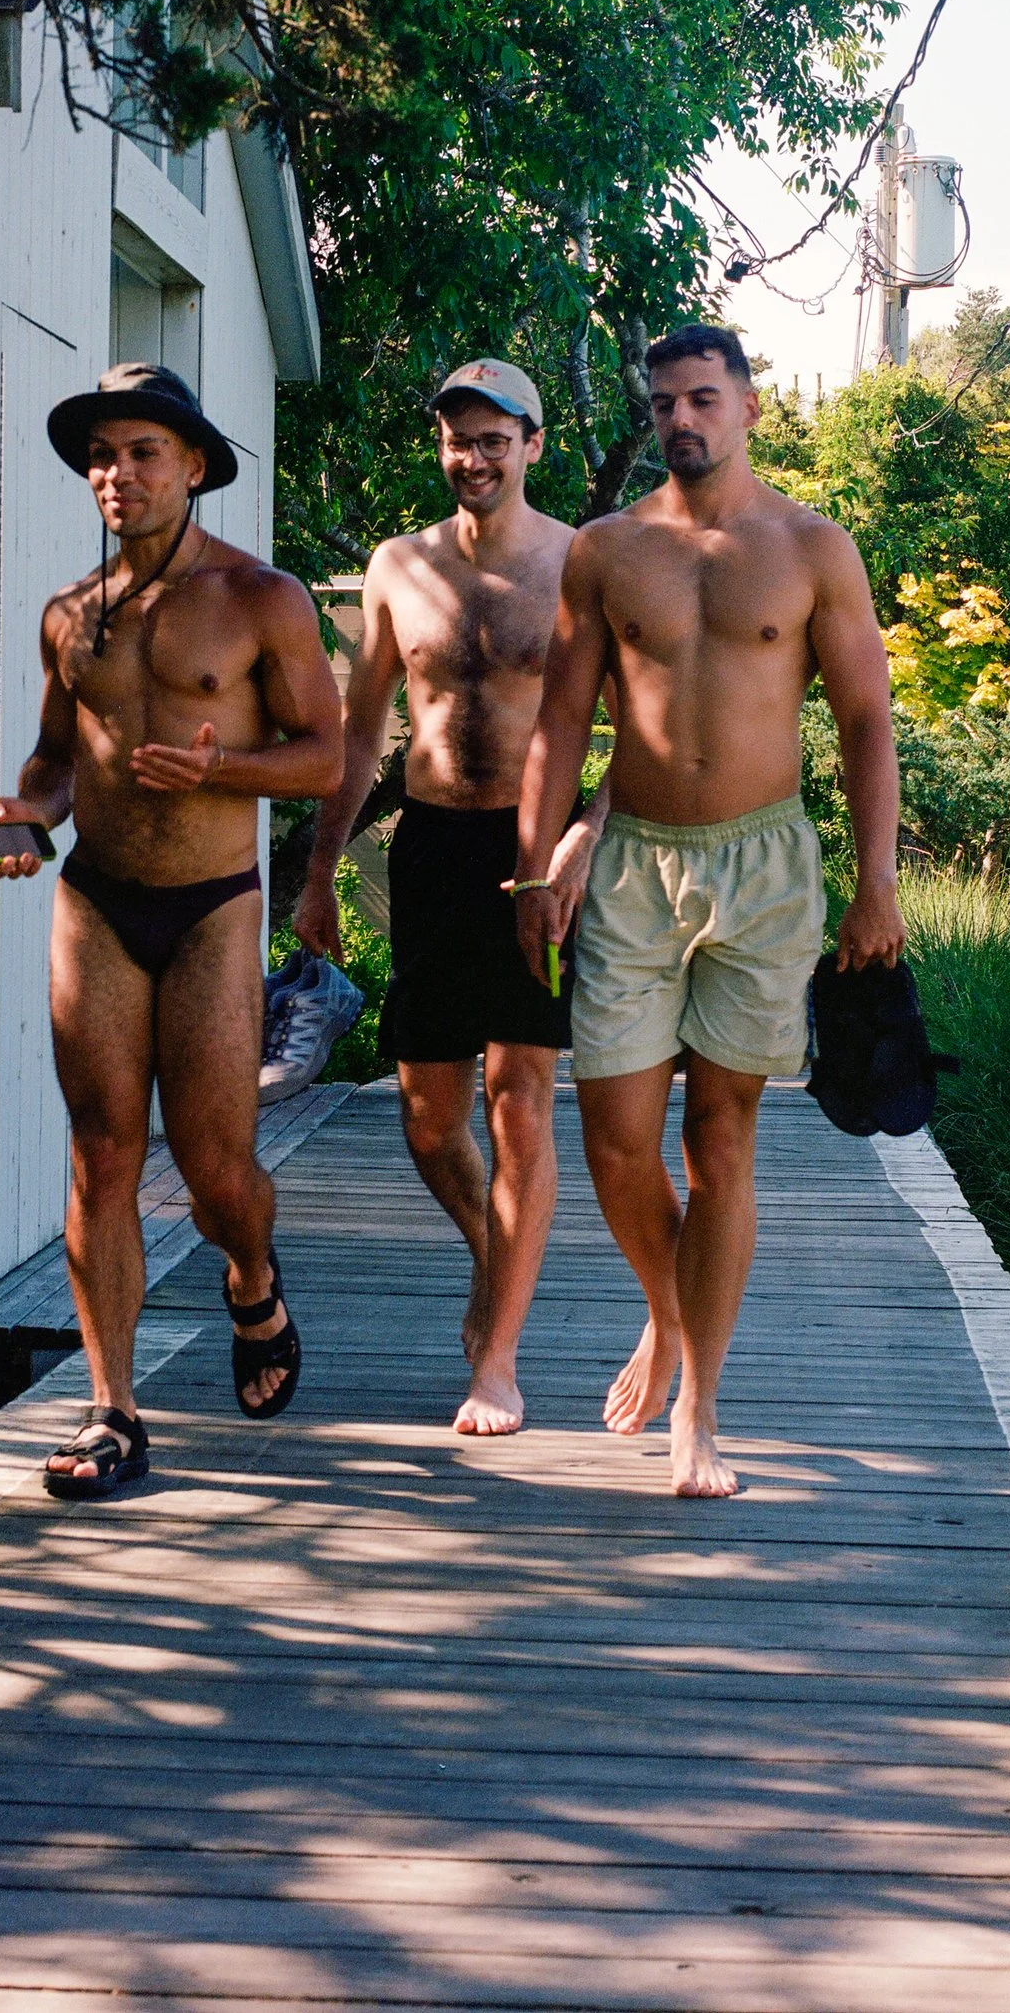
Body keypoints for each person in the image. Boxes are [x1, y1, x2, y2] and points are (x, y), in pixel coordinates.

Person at [513, 323, 902, 1496]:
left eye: (702, 398)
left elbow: (868, 722)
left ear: (746, 405)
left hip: (764, 865)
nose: (681, 419)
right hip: (632, 861)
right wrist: (537, 866)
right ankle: (664, 1310)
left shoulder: (810, 547)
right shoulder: (605, 549)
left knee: (720, 1139)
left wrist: (875, 881)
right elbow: (561, 722)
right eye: (664, 403)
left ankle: (700, 1407)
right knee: (616, 1139)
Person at [0, 363, 343, 1498]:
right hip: (95, 898)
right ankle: (112, 1412)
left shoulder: (260, 599)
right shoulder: (68, 616)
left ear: (192, 465)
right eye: (100, 455)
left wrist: (221, 766)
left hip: (211, 909)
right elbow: (54, 758)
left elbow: (326, 757)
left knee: (213, 1165)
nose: (115, 473)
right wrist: (28, 812)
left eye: (140, 452)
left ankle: (251, 1276)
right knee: (100, 1151)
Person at [294, 358, 609, 1436]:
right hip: (427, 851)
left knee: (517, 1103)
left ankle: (500, 1358)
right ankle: (494, 1260)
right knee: (429, 1121)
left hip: (533, 859)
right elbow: (359, 731)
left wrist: (583, 838)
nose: (472, 457)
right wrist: (319, 870)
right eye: (455, 439)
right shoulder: (397, 566)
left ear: (532, 444)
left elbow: (655, 729)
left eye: (492, 438)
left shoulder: (581, 564)